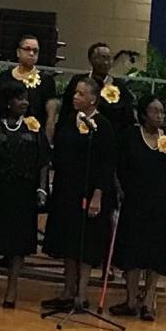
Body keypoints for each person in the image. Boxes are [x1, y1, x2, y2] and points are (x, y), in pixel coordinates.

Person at [0, 80, 50, 307]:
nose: (24, 103)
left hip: (23, 191)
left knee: (18, 242)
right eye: (19, 98)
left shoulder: (34, 126)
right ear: (7, 100)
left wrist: (42, 188)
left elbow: (43, 161)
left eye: (26, 99)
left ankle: (12, 288)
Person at [42, 77, 117, 311]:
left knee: (85, 244)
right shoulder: (67, 121)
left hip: (89, 192)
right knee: (67, 242)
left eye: (81, 94)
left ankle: (82, 294)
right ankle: (67, 290)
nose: (75, 97)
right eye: (75, 93)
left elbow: (107, 164)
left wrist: (97, 195)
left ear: (93, 99)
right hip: (66, 190)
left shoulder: (103, 127)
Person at [109, 95, 166, 321]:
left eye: (162, 111)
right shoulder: (130, 136)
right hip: (134, 204)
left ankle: (149, 301)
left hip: (160, 207)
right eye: (154, 111)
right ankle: (131, 300)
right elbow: (116, 166)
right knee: (133, 253)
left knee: (155, 255)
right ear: (143, 114)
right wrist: (118, 190)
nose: (159, 115)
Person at [61, 42, 136, 136]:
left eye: (109, 58)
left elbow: (127, 119)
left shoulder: (119, 86)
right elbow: (66, 110)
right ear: (91, 60)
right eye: (102, 58)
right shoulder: (77, 81)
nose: (106, 62)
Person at [0, 34, 58, 142]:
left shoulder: (46, 80)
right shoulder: (5, 77)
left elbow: (50, 117)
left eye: (35, 51)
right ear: (18, 52)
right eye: (27, 49)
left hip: (33, 137)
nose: (31, 53)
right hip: (5, 134)